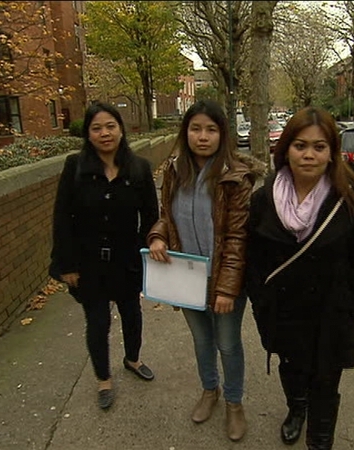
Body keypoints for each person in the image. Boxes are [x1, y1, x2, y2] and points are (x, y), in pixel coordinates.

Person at [244, 106, 354, 450]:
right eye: (300, 145)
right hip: (284, 311)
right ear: (285, 149)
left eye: (319, 147)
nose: (309, 155)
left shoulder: (351, 197)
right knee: (291, 368)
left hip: (331, 312)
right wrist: (261, 302)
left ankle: (319, 440)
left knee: (326, 382)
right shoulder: (263, 199)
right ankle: (296, 408)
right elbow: (253, 257)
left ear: (332, 152)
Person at [147, 99, 258, 442]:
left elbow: (239, 237)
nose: (203, 136)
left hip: (224, 278)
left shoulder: (235, 175)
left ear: (222, 134)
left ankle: (234, 403)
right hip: (186, 275)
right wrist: (157, 237)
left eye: (211, 129)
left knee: (227, 343)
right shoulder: (175, 170)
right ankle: (209, 390)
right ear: (186, 132)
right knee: (201, 340)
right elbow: (167, 215)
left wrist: (226, 289)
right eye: (196, 128)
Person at [50, 101, 159, 410]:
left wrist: (145, 250)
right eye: (96, 128)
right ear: (88, 133)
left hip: (127, 260)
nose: (104, 133)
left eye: (110, 126)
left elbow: (151, 216)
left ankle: (133, 359)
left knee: (132, 315)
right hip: (88, 262)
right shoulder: (75, 167)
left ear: (121, 129)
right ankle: (103, 379)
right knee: (97, 322)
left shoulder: (139, 168)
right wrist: (66, 264)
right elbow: (62, 217)